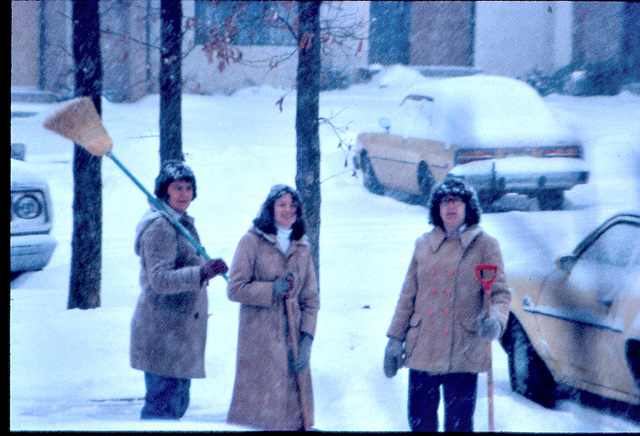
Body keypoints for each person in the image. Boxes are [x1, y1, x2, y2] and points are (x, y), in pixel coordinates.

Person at [383, 176, 511, 432]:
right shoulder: (423, 245)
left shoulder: (485, 245)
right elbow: (407, 296)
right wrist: (395, 339)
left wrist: (496, 321)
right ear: (437, 208)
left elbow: (500, 294)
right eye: (444, 201)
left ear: (468, 207)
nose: (450, 207)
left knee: (459, 425)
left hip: (463, 350)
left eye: (457, 201)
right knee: (420, 423)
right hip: (423, 348)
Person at [129, 160, 228, 420]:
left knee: (176, 406)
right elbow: (159, 279)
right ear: (165, 191)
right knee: (162, 410)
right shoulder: (160, 226)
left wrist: (205, 268)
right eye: (177, 188)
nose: (184, 194)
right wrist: (202, 273)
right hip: (163, 333)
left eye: (188, 188)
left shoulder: (180, 222)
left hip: (178, 335)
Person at [226, 184, 320, 431]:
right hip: (259, 340)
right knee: (260, 415)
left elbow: (310, 298)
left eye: (293, 205)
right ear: (271, 209)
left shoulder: (303, 247)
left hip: (293, 337)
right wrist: (271, 290)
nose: (288, 210)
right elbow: (234, 288)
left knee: (293, 412)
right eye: (281, 204)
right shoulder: (251, 242)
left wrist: (307, 338)